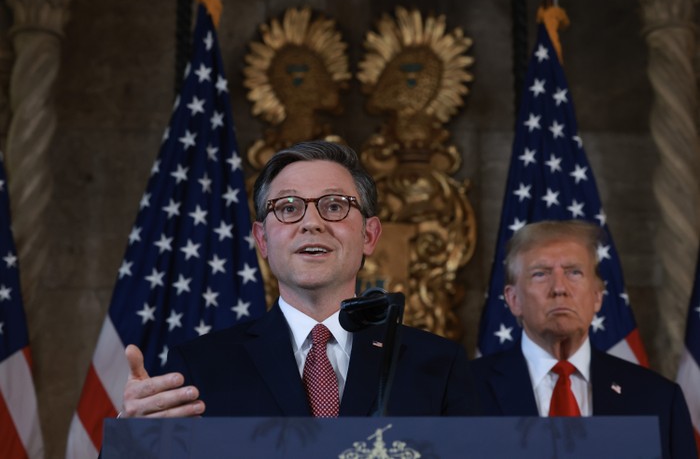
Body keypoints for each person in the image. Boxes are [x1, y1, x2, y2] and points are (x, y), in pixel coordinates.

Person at [120, 140, 476, 418]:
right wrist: (133, 442)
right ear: (262, 239)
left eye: (334, 206)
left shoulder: (437, 366)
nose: (311, 223)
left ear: (369, 234)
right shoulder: (201, 366)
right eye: (288, 208)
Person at [470, 220, 696, 459]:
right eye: (540, 274)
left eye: (574, 272)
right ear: (513, 299)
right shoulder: (462, 392)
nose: (559, 288)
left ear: (597, 297)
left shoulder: (658, 399)